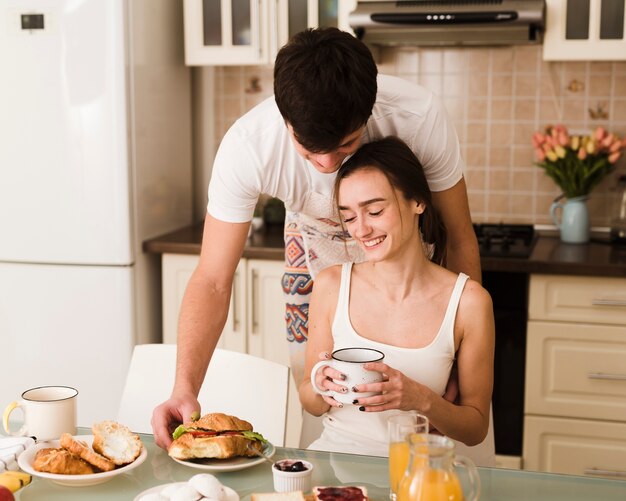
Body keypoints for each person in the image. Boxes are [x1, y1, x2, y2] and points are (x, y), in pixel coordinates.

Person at [151, 27, 481, 450]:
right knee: (322, 397)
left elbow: (460, 235)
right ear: (284, 118)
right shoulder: (250, 146)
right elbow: (213, 278)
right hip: (315, 260)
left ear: (369, 113)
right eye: (309, 150)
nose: (326, 165)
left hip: (415, 268)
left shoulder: (418, 117)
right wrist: (184, 387)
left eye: (345, 146)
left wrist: (456, 364)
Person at [300, 137, 495, 463]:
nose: (361, 230)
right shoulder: (331, 284)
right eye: (348, 217)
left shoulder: (469, 302)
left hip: (419, 473)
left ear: (417, 201)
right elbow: (309, 399)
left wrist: (423, 400)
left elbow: (475, 429)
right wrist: (321, 385)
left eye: (374, 210)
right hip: (334, 466)